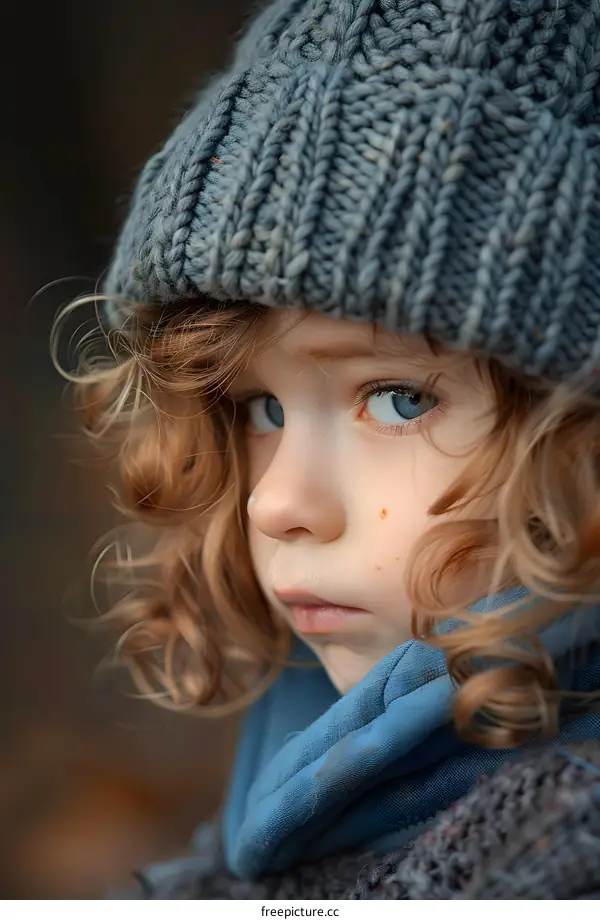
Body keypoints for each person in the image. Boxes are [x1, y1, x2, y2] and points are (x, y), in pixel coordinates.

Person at [54, 0, 600, 899]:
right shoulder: (286, 799)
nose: (277, 503)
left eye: (396, 400)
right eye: (261, 408)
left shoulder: (556, 859)